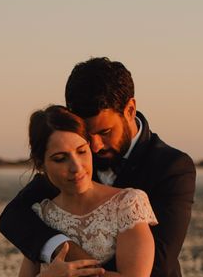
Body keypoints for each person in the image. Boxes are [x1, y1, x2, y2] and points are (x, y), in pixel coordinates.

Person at [0, 57, 196, 277]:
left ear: (130, 109)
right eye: (86, 136)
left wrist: (72, 267)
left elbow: (157, 265)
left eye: (105, 132)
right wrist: (57, 247)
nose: (95, 146)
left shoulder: (172, 167)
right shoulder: (67, 166)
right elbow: (12, 218)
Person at [18, 105, 157, 277]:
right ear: (40, 165)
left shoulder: (127, 205)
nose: (76, 167)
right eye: (60, 159)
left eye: (82, 151)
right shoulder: (42, 215)